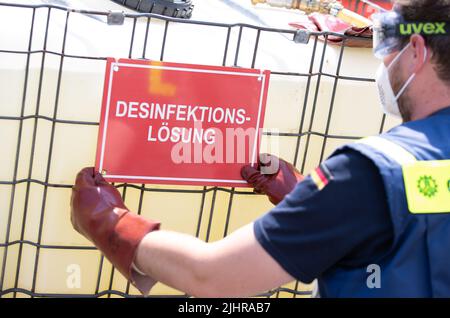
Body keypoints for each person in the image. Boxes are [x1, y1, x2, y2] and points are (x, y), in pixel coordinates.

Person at [71, 0, 450, 297]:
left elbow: (211, 275)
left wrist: (115, 225)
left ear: (416, 50)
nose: (384, 58)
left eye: (385, 39)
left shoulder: (369, 172)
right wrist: (313, 206)